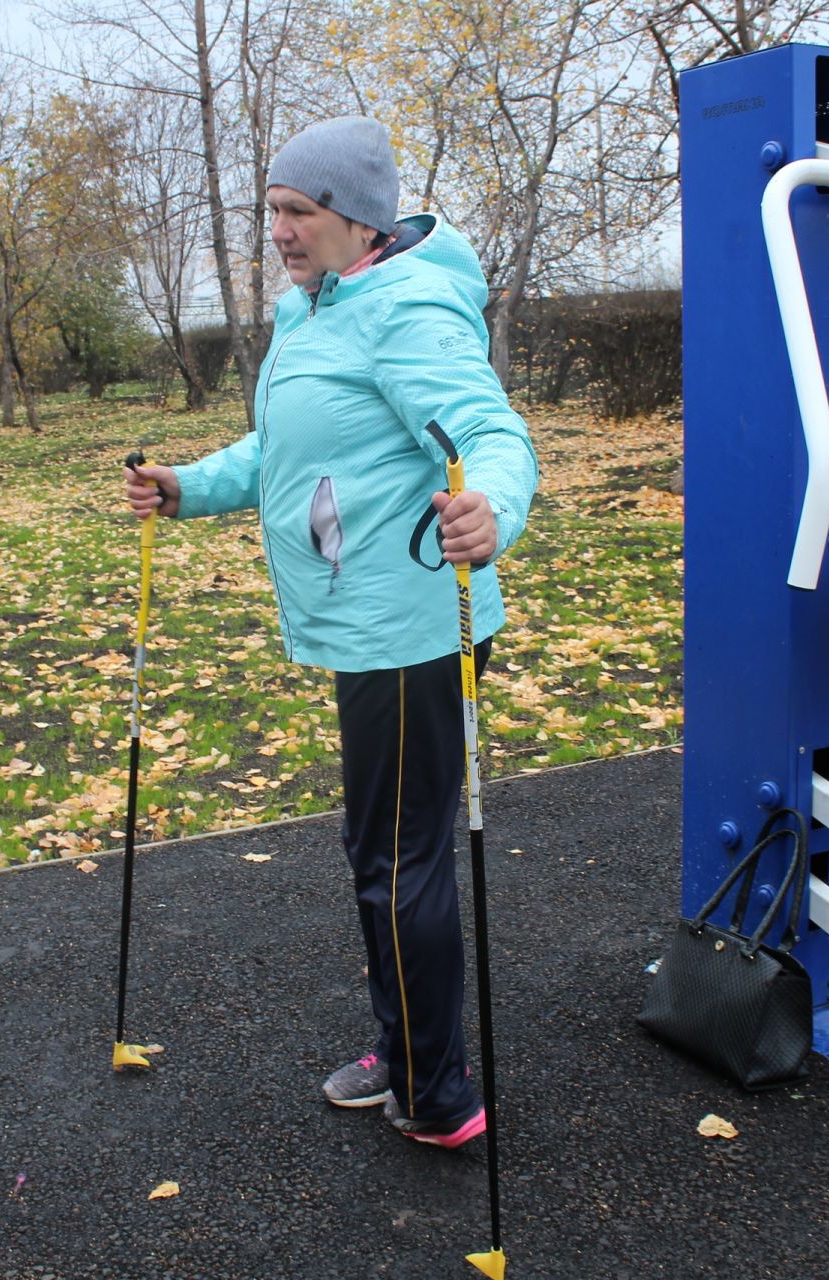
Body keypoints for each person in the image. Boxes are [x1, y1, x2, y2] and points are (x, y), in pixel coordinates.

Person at [122, 116, 538, 1150]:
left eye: (296, 212)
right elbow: (283, 445)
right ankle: (408, 1055)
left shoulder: (404, 310)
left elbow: (491, 431)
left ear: (356, 217)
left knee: (398, 860)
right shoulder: (319, 309)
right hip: (368, 626)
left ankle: (438, 1091)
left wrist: (492, 504)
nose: (279, 231)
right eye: (271, 210)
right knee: (384, 851)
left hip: (413, 626)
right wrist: (189, 486)